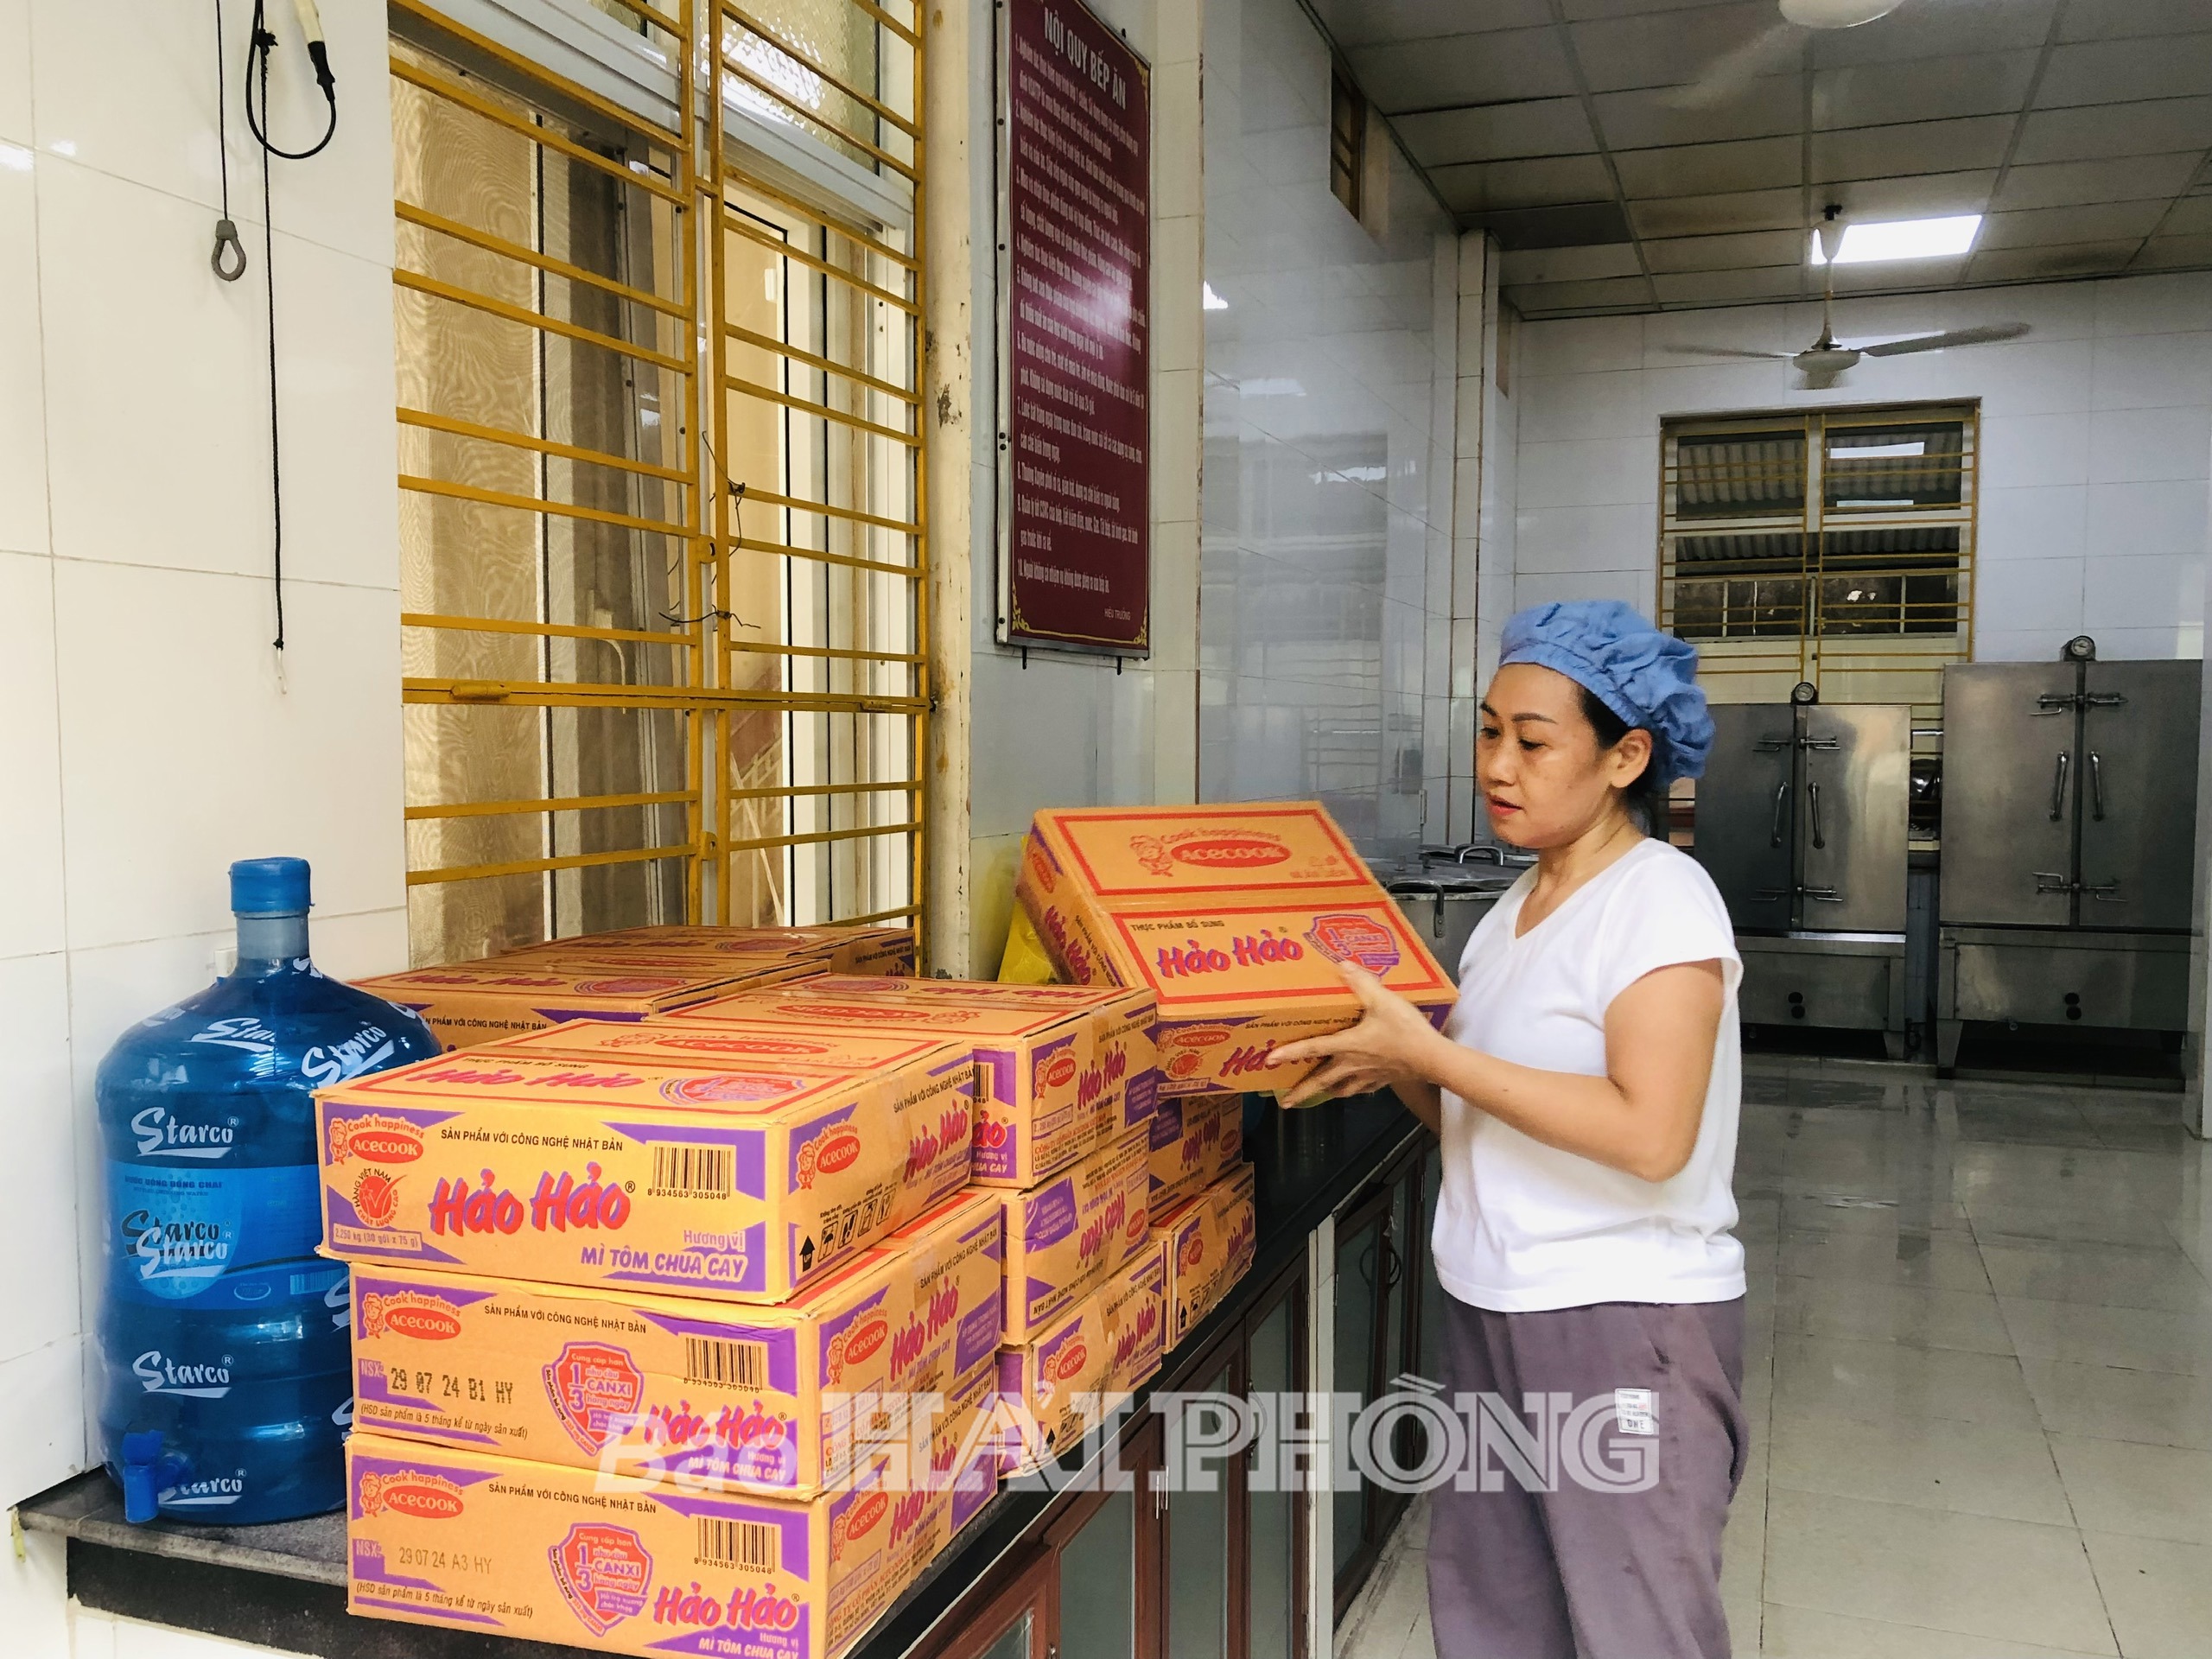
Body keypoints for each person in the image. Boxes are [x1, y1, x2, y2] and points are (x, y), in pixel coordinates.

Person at [1269, 599, 1746, 1659]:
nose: (1496, 765)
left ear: (1625, 757)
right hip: (1494, 1302)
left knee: (1635, 1627)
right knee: (1499, 1614)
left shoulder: (1660, 901)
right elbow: (1473, 1116)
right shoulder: (1513, 912)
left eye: (1532, 742)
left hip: (1621, 1317)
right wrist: (1390, 1063)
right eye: (1488, 732)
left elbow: (1651, 1135)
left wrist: (1432, 1053)